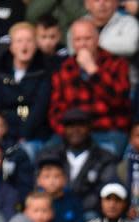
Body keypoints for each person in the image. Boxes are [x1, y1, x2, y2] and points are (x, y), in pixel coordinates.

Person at [47, 19, 131, 155]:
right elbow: (55, 110)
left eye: (88, 39)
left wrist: (92, 70)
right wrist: (68, 131)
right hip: (72, 132)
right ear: (73, 43)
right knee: (46, 156)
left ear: (97, 40)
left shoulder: (117, 63)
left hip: (107, 130)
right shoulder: (64, 68)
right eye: (78, 40)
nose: (83, 44)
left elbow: (118, 101)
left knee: (104, 162)